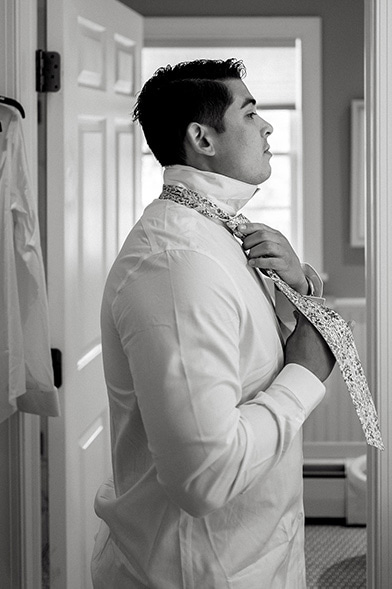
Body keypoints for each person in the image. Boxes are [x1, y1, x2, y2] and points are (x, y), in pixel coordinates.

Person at [92, 59, 336, 587]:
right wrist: (306, 375)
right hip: (198, 571)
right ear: (203, 138)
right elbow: (205, 477)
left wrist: (300, 288)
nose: (267, 127)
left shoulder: (222, 235)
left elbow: (249, 357)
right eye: (250, 113)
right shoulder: (176, 260)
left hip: (254, 552)